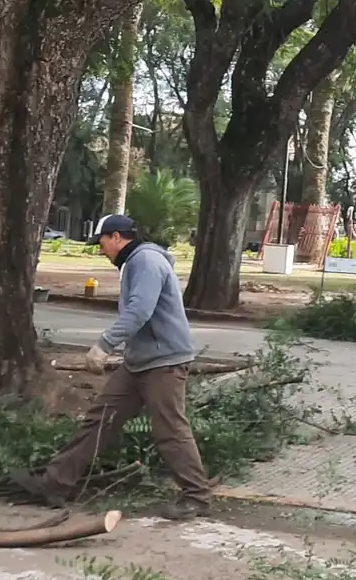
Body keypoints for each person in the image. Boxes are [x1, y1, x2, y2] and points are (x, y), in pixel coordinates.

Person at [12, 214, 212, 520]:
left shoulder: (145, 261)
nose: (101, 249)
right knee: (100, 418)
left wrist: (105, 344)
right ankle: (54, 484)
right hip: (140, 361)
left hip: (164, 361)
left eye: (102, 242)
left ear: (117, 237)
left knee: (170, 429)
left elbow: (140, 310)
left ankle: (196, 497)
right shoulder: (137, 261)